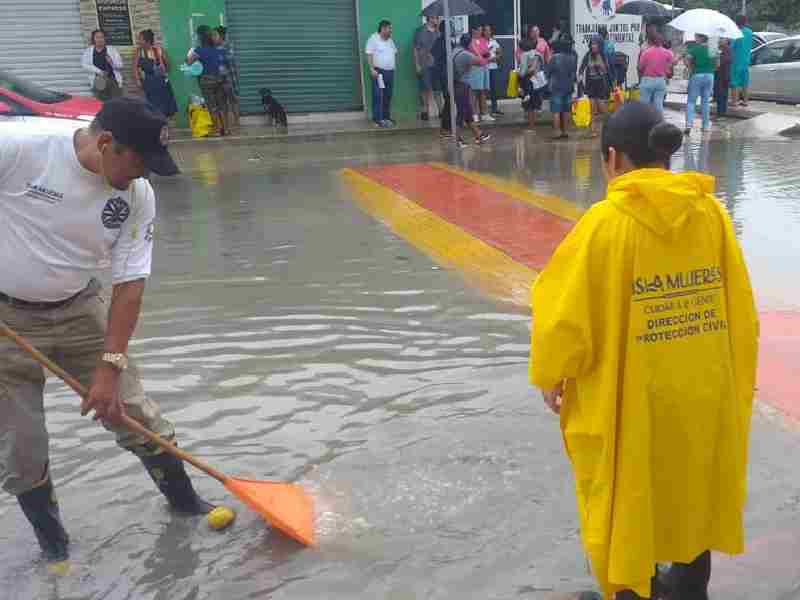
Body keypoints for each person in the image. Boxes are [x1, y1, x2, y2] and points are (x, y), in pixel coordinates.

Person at [529, 101, 758, 600]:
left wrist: (553, 376)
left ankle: (637, 591)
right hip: (701, 386)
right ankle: (690, 589)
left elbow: (564, 318)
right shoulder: (712, 213)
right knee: (693, 485)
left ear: (612, 158)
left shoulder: (605, 224)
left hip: (636, 396)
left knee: (630, 493)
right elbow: (740, 308)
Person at [0, 97, 229, 565]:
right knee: (22, 446)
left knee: (134, 412)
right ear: (106, 143)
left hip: (81, 308)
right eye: (139, 163)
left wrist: (109, 366)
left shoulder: (137, 195)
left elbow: (129, 286)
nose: (142, 177)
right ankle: (54, 547)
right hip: (7, 321)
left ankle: (186, 508)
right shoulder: (19, 150)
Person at [187, 26, 229, 136]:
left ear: (201, 39)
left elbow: (188, 61)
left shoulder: (199, 50)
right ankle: (226, 129)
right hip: (220, 79)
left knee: (212, 106)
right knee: (221, 105)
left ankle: (216, 129)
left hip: (207, 81)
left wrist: (191, 52)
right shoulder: (219, 49)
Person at [451, 34, 492, 147]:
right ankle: (457, 139)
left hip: (456, 84)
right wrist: (474, 49)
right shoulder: (465, 54)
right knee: (461, 112)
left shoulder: (455, 50)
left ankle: (478, 135)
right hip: (461, 85)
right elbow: (482, 62)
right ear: (469, 44)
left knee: (468, 111)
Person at [133, 29, 178, 119]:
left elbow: (168, 64)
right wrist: (138, 80)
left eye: (140, 39)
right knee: (152, 107)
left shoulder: (159, 50)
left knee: (165, 107)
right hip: (148, 82)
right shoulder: (139, 51)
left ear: (147, 41)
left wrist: (163, 69)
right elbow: (135, 67)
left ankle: (165, 127)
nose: (139, 41)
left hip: (161, 82)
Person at [366, 20, 398, 128]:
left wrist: (392, 66)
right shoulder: (373, 39)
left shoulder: (390, 41)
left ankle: (386, 117)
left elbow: (394, 53)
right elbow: (369, 54)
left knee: (387, 95)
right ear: (383, 29)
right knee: (378, 95)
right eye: (389, 28)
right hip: (378, 72)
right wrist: (371, 69)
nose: (391, 31)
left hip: (390, 72)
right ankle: (377, 119)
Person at [684, 33, 716, 135]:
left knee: (691, 101)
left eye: (696, 37)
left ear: (701, 38)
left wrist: (690, 68)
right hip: (710, 75)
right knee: (705, 101)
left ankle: (689, 125)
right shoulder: (712, 48)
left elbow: (687, 60)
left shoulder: (695, 49)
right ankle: (705, 126)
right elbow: (717, 64)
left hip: (697, 75)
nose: (695, 38)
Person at [546, 36, 577, 140]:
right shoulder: (572, 58)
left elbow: (548, 72)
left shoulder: (554, 58)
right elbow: (573, 74)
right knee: (566, 110)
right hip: (568, 87)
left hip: (556, 87)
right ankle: (565, 131)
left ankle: (556, 132)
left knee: (556, 111)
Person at [579, 38, 611, 137]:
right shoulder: (588, 55)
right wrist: (580, 78)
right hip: (590, 84)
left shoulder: (602, 55)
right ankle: (593, 130)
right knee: (592, 108)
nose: (593, 46)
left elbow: (607, 70)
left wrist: (601, 67)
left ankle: (611, 125)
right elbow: (582, 68)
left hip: (600, 83)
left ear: (599, 46)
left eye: (595, 44)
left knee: (602, 108)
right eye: (592, 44)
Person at [82, 29, 123, 102]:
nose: (99, 39)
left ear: (105, 38)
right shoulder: (88, 51)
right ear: (93, 39)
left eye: (102, 37)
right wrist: (99, 71)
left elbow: (120, 65)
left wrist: (112, 62)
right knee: (100, 103)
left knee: (116, 103)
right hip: (98, 81)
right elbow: (85, 65)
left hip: (112, 80)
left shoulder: (112, 50)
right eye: (97, 37)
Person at [638, 33, 674, 114]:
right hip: (661, 81)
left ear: (651, 41)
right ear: (662, 42)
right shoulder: (668, 53)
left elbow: (640, 67)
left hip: (647, 80)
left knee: (644, 105)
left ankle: (644, 124)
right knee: (659, 104)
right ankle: (659, 123)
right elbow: (670, 67)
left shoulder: (646, 52)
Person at [414, 16, 441, 122]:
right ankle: (425, 111)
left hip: (436, 65)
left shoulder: (438, 32)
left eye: (437, 18)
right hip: (424, 63)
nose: (437, 20)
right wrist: (417, 64)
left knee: (438, 88)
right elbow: (415, 49)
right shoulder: (420, 31)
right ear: (429, 19)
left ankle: (441, 111)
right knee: (424, 88)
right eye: (435, 18)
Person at [465, 25, 491, 122]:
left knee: (483, 91)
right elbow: (477, 54)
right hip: (474, 68)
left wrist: (485, 55)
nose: (480, 32)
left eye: (481, 30)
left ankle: (484, 113)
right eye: (479, 30)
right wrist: (482, 55)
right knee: (474, 92)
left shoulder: (483, 40)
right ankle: (473, 113)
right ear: (473, 30)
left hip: (484, 67)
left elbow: (487, 52)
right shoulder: (470, 41)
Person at [216, 26, 240, 129]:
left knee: (233, 101)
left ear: (220, 35)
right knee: (222, 102)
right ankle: (226, 124)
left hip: (229, 78)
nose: (214, 37)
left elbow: (230, 61)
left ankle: (237, 122)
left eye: (215, 35)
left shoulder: (227, 46)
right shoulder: (214, 47)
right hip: (218, 79)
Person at [518, 39, 545, 131]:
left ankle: (531, 126)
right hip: (538, 82)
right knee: (534, 103)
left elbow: (522, 72)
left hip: (528, 81)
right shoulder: (538, 54)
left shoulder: (525, 55)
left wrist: (518, 73)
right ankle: (532, 125)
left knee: (529, 105)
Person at [730, 14, 753, 107]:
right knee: (745, 82)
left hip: (736, 61)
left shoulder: (735, 33)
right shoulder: (750, 32)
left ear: (736, 22)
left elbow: (732, 46)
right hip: (746, 61)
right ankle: (745, 101)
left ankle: (734, 102)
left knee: (734, 83)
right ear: (745, 22)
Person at [486, 25, 503, 117]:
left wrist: (495, 58)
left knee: (494, 89)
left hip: (493, 67)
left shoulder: (494, 41)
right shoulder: (481, 42)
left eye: (489, 30)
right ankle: (483, 110)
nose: (487, 32)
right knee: (483, 90)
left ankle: (494, 108)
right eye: (486, 30)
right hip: (484, 68)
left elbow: (500, 53)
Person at [715, 38, 732, 118]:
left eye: (722, 39)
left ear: (727, 41)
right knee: (719, 94)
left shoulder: (727, 49)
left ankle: (721, 114)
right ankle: (720, 113)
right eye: (720, 39)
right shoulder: (719, 49)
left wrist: (718, 57)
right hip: (719, 74)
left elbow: (723, 62)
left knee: (722, 95)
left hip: (724, 75)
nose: (720, 40)